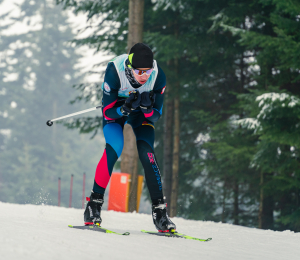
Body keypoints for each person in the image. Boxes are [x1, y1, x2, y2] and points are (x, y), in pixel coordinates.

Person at [83, 43, 176, 232]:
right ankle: (93, 206)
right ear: (129, 67)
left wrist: (148, 109)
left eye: (147, 71)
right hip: (117, 112)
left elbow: (156, 115)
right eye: (139, 71)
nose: (144, 76)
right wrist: (124, 108)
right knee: (115, 147)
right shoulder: (114, 71)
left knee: (146, 152)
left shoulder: (158, 76)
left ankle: (160, 212)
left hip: (141, 114)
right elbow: (108, 113)